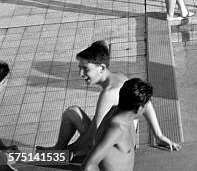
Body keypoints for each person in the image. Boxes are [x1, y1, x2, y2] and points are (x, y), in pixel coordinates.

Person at [36, 41, 179, 159]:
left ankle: (56, 155)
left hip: (113, 150)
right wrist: (158, 134)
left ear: (101, 68)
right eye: (80, 68)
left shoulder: (108, 94)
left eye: (85, 69)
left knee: (73, 126)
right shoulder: (120, 77)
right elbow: (145, 102)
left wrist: (69, 153)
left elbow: (94, 136)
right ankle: (57, 150)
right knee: (72, 112)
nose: (81, 73)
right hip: (123, 140)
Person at [82, 78, 153, 171]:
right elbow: (88, 166)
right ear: (140, 108)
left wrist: (159, 135)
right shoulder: (116, 130)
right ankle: (58, 155)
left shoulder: (123, 114)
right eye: (147, 104)